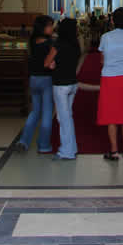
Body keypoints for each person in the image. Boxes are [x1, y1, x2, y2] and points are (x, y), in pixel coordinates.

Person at [97, 7, 123, 160]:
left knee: (111, 116)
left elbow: (102, 60)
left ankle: (114, 151)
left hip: (109, 78)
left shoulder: (106, 37)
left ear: (112, 20)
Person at [15, 16, 55, 153]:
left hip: (34, 79)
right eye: (50, 25)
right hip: (46, 79)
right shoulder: (50, 43)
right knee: (47, 113)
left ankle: (24, 141)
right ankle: (43, 145)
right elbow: (52, 62)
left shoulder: (32, 40)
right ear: (43, 27)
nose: (52, 28)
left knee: (35, 111)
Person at [45, 18, 81, 160]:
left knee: (64, 118)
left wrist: (53, 64)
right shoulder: (76, 44)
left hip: (61, 84)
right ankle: (72, 147)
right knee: (66, 116)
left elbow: (47, 62)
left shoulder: (58, 44)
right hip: (73, 83)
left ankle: (67, 151)